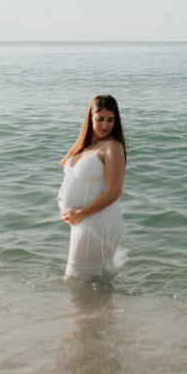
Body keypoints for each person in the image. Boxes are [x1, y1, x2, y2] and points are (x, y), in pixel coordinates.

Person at [57, 94, 128, 279]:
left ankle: (84, 309)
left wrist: (80, 213)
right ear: (90, 117)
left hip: (96, 222)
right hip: (83, 222)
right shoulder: (86, 145)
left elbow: (114, 192)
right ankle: (103, 308)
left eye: (110, 120)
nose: (105, 125)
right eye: (100, 119)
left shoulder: (113, 147)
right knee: (91, 282)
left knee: (77, 280)